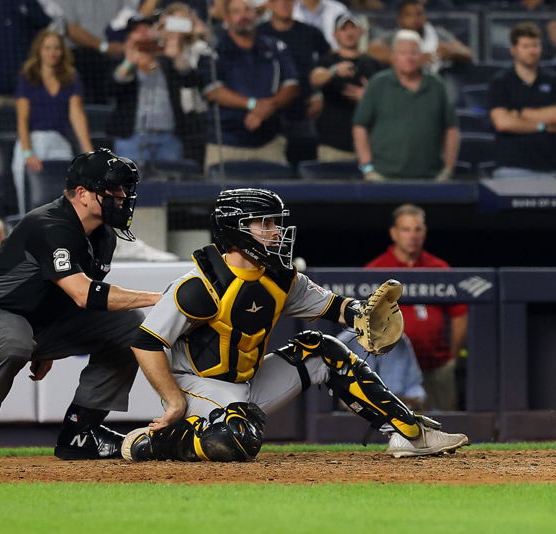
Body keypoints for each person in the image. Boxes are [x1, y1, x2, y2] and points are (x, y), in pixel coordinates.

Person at [122, 189, 468, 461]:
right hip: (195, 387)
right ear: (238, 230)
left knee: (323, 349)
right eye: (266, 224)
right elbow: (146, 341)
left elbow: (335, 307)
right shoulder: (199, 284)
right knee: (238, 435)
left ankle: (408, 433)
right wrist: (174, 402)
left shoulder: (281, 279)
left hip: (246, 386)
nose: (276, 232)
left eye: (276, 223)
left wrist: (362, 315)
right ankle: (154, 443)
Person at [0, 149, 161, 464]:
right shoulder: (49, 223)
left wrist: (44, 343)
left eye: (125, 189)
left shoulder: (103, 236)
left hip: (29, 321)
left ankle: (80, 432)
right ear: (82, 194)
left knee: (127, 324)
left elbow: (76, 300)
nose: (122, 196)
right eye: (113, 190)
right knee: (14, 335)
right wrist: (157, 298)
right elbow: (84, 294)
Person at [365, 203, 467, 410]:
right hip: (394, 369)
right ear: (394, 233)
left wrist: (452, 357)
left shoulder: (439, 268)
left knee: (446, 425)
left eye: (417, 229)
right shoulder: (376, 269)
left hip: (437, 366)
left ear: (424, 233)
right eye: (406, 229)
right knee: (396, 425)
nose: (412, 235)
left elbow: (459, 314)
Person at [203, 0, 300, 168]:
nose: (243, 16)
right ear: (227, 19)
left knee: (272, 195)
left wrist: (267, 106)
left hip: (270, 142)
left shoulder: (275, 46)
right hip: (225, 143)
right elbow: (213, 90)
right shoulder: (214, 51)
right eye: (236, 11)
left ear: (256, 15)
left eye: (247, 10)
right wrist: (254, 104)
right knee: (220, 195)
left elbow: (292, 85)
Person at [353, 29, 459, 181]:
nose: (408, 58)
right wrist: (367, 168)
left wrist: (448, 169)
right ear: (393, 57)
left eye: (414, 53)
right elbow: (359, 126)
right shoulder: (378, 84)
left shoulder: (437, 85)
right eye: (403, 53)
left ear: (422, 56)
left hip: (430, 178)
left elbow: (452, 128)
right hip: (382, 177)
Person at [107, 13, 209, 164]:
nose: (143, 34)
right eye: (137, 31)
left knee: (171, 184)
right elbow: (112, 88)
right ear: (129, 38)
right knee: (129, 184)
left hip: (168, 138)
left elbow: (191, 80)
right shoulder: (121, 63)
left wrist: (178, 56)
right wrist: (129, 62)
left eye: (147, 29)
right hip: (132, 138)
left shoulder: (168, 64)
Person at [13, 30, 93, 211]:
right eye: (47, 48)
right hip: (32, 141)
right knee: (28, 199)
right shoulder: (27, 76)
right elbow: (22, 118)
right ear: (39, 51)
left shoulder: (71, 77)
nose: (52, 52)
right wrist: (27, 151)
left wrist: (88, 151)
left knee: (67, 198)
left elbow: (76, 115)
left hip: (59, 141)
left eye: (56, 48)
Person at [52, 0, 133, 101]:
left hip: (119, 52)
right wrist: (104, 47)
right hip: (83, 59)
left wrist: (122, 44)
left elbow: (131, 14)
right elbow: (71, 29)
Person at [260, 0, 331, 164]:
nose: (283, 4)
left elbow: (328, 63)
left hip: (304, 111)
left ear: (296, 3)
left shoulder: (310, 33)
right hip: (270, 112)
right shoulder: (258, 34)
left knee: (306, 163)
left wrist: (320, 94)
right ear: (269, 4)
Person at [487, 22, 556, 178]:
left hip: (551, 166)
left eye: (535, 46)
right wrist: (542, 125)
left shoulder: (554, 80)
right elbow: (503, 123)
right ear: (513, 50)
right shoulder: (500, 82)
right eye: (526, 46)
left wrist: (520, 113)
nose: (532, 51)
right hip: (511, 166)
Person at [311, 12, 383, 161]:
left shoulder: (373, 65)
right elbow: (315, 79)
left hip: (367, 146)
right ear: (335, 34)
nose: (349, 32)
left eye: (353, 28)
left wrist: (368, 98)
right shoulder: (326, 61)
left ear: (361, 32)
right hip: (332, 145)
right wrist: (333, 72)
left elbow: (387, 102)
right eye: (344, 29)